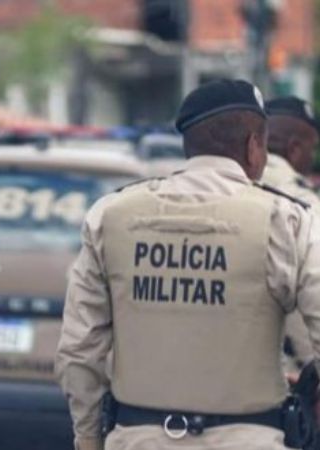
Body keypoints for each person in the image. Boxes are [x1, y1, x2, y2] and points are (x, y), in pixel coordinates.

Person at [55, 79, 320, 450]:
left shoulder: (111, 216)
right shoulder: (287, 219)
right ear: (253, 145)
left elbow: (79, 350)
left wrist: (87, 438)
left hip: (137, 438)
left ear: (188, 145)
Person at [261, 96, 320, 377]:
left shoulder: (217, 194)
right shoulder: (305, 206)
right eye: (313, 149)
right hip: (286, 380)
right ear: (295, 149)